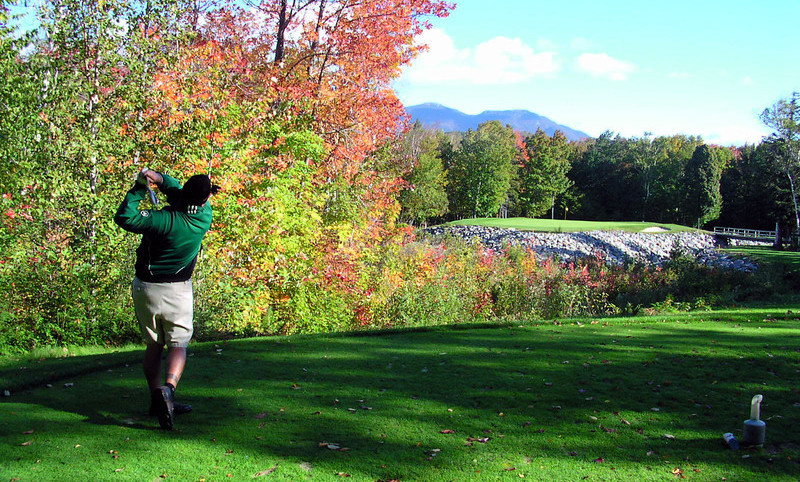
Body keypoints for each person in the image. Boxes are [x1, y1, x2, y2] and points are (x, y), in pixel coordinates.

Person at [114, 168, 219, 430]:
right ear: (205, 200)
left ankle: (155, 399)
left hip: (146, 288)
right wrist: (160, 180)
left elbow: (125, 217)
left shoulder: (160, 220)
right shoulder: (204, 216)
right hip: (178, 289)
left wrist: (141, 188)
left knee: (154, 345)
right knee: (178, 344)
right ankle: (168, 391)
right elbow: (180, 196)